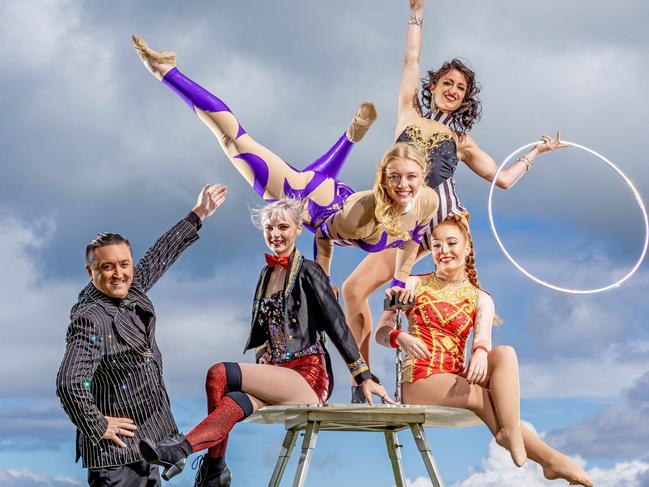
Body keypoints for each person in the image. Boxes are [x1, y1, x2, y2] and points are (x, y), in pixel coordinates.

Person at [341, 0, 565, 399]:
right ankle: (364, 379)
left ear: (464, 100)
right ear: (433, 86)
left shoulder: (461, 142)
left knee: (397, 291)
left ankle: (450, 353)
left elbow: (503, 180)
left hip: (437, 226)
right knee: (353, 290)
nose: (452, 90)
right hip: (397, 221)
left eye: (460, 88)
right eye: (447, 82)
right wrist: (417, 13)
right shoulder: (408, 114)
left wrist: (535, 155)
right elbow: (411, 59)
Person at [132, 36, 439, 292]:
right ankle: (166, 70)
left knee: (309, 171)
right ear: (383, 179)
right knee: (234, 141)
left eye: (412, 178)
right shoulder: (359, 214)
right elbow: (323, 235)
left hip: (327, 186)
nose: (404, 185)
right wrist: (323, 281)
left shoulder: (427, 200)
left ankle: (350, 136)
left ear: (422, 177)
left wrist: (400, 280)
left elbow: (411, 240)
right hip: (302, 195)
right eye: (396, 178)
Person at [138, 198, 392, 486]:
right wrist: (262, 355)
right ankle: (212, 471)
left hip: (308, 376)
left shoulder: (309, 271)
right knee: (232, 402)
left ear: (297, 230)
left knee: (218, 372)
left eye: (283, 227)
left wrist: (363, 375)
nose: (276, 234)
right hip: (278, 375)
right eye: (269, 228)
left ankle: (197, 458)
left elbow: (337, 325)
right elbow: (263, 329)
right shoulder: (266, 274)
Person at [375, 214, 593, 486]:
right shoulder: (412, 285)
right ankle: (545, 456)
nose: (444, 251)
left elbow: (483, 340)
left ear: (467, 248)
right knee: (481, 396)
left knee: (506, 354)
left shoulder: (482, 299)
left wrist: (479, 351)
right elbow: (380, 335)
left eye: (451, 243)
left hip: (456, 376)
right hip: (420, 378)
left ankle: (513, 433)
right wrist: (400, 337)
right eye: (436, 245)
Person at [56, 184, 228, 486]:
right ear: (90, 272)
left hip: (147, 445)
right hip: (117, 458)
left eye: (124, 264)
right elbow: (69, 382)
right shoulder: (91, 318)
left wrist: (199, 213)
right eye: (107, 267)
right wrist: (97, 425)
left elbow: (160, 255)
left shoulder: (131, 288)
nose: (118, 273)